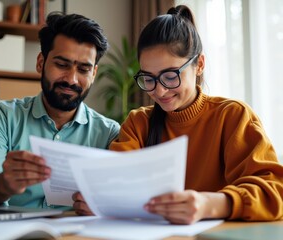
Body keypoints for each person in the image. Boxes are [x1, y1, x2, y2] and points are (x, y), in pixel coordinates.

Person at [72, 5, 283, 224]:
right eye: (149, 78)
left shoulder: (232, 116)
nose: (159, 91)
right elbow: (113, 184)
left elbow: (275, 191)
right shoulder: (138, 123)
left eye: (170, 76)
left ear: (199, 65)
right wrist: (98, 201)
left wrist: (208, 205)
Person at [0, 12, 120, 210]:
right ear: (41, 63)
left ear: (94, 73)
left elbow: (119, 198)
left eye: (84, 70)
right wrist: (3, 184)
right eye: (62, 65)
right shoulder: (2, 116)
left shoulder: (110, 133)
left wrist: (103, 205)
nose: (71, 79)